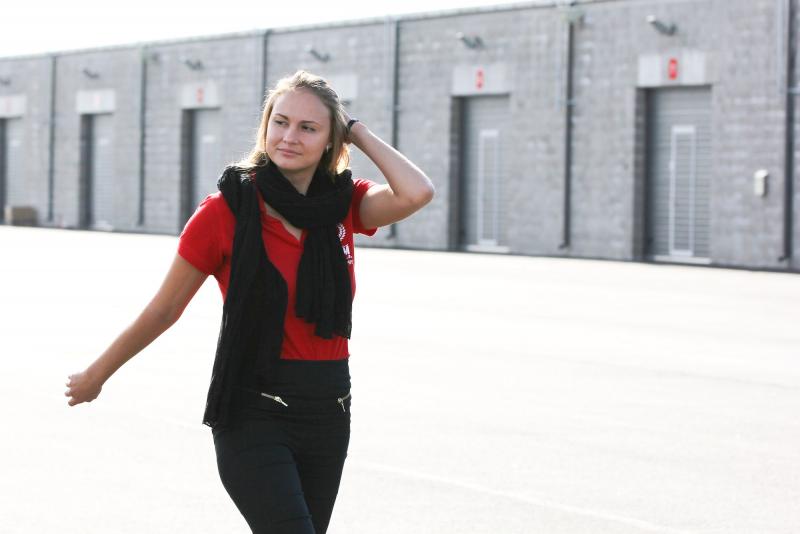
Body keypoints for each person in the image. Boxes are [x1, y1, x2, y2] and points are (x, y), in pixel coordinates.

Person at [64, 70, 434, 534]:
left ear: (330, 140)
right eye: (280, 121)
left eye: (308, 127)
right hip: (253, 411)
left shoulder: (343, 204)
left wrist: (356, 131)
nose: (289, 136)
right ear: (265, 124)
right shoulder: (226, 210)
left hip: (329, 412)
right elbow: (164, 309)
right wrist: (96, 375)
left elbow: (417, 192)